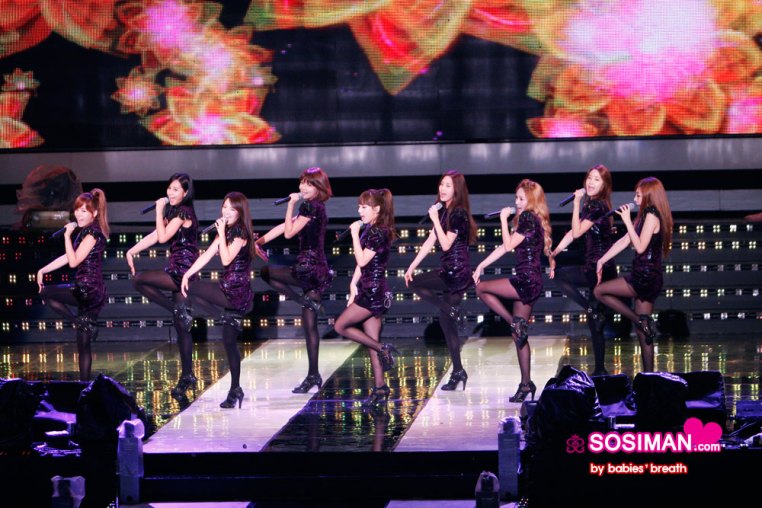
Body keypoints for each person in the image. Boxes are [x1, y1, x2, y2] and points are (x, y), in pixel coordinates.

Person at [473, 179, 552, 402]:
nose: (516, 203)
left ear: (531, 201)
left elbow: (507, 246)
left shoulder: (527, 218)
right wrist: (482, 265)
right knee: (519, 334)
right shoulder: (532, 219)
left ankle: (513, 322)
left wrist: (502, 219)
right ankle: (526, 384)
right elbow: (504, 247)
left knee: (481, 288)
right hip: (531, 281)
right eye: (516, 198)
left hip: (525, 281)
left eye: (521, 199)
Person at [256, 167, 334, 393]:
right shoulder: (317, 207)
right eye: (302, 182)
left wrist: (290, 204)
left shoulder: (309, 206)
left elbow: (289, 233)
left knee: (266, 272)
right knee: (309, 325)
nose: (302, 187)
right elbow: (285, 226)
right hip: (319, 270)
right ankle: (313, 375)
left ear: (319, 188)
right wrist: (260, 242)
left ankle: (302, 300)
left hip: (308, 269)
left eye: (309, 184)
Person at [126, 173, 199, 400]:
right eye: (169, 188)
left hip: (182, 272)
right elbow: (155, 234)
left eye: (176, 189)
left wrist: (158, 210)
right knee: (181, 327)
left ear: (185, 193)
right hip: (179, 270)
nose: (170, 193)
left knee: (139, 279)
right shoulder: (175, 212)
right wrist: (132, 250)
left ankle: (176, 309)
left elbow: (163, 237)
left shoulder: (183, 212)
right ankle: (187, 375)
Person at [403, 170, 477, 391]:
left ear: (457, 189)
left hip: (457, 272)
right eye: (441, 184)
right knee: (446, 322)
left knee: (418, 285)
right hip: (448, 270)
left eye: (448, 185)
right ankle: (458, 371)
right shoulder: (444, 212)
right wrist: (412, 266)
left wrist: (435, 218)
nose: (442, 189)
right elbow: (430, 241)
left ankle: (451, 311)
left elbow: (445, 245)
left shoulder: (458, 214)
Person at [181, 192, 256, 408]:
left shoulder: (239, 232)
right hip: (229, 289)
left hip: (235, 291)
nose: (226, 212)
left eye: (232, 209)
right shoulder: (229, 231)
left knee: (193, 289)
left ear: (240, 212)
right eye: (224, 207)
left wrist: (221, 233)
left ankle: (222, 316)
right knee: (229, 342)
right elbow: (206, 256)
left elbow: (225, 259)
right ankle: (235, 390)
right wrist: (187, 273)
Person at [594, 177, 673, 372]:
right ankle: (649, 375)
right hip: (646, 275)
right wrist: (602, 260)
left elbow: (640, 247)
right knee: (643, 331)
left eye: (638, 195)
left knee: (599, 291)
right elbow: (624, 241)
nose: (634, 198)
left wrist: (627, 221)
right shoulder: (645, 215)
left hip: (645, 277)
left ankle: (638, 320)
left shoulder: (651, 215)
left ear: (648, 196)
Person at [333, 189, 399, 410]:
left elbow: (361, 260)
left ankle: (383, 348)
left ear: (377, 209)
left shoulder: (378, 231)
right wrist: (353, 285)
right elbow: (363, 265)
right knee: (370, 342)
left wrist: (354, 234)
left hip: (373, 292)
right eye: (359, 206)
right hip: (368, 288)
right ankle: (380, 388)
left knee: (341, 325)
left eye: (364, 207)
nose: (359, 211)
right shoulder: (373, 229)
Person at [549, 164, 616, 376]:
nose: (590, 182)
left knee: (594, 319)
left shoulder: (596, 206)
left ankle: (600, 368)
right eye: (589, 178)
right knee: (594, 319)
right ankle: (600, 368)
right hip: (592, 267)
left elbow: (577, 232)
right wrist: (554, 252)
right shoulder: (593, 205)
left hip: (599, 268)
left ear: (604, 185)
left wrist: (576, 202)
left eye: (596, 179)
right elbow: (572, 232)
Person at [37, 189, 109, 380]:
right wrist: (43, 270)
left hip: (88, 288)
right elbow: (68, 257)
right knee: (83, 343)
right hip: (91, 289)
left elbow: (73, 262)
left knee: (45, 292)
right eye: (77, 210)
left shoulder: (92, 233)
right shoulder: (87, 232)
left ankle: (78, 322)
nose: (78, 214)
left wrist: (67, 236)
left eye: (84, 211)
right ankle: (84, 386)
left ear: (94, 213)